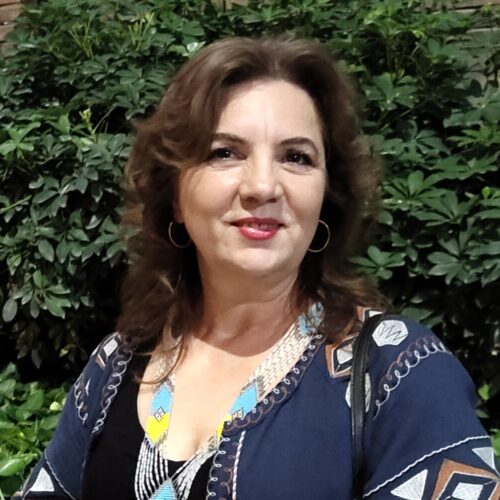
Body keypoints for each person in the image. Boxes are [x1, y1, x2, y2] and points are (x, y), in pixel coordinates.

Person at [18, 37, 498, 500]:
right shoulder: (119, 362)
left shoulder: (400, 374)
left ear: (326, 197)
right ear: (175, 196)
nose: (263, 186)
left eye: (296, 157)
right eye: (224, 153)